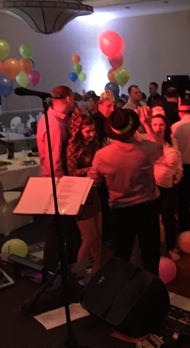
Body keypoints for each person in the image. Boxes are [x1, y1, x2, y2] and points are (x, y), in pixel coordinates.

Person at [89, 108, 163, 274]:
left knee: (122, 254)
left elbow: (95, 181)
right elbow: (160, 148)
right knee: (151, 253)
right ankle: (152, 285)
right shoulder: (146, 149)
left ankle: (124, 286)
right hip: (147, 207)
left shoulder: (102, 155)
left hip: (119, 210)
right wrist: (147, 125)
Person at [36, 85, 79, 274]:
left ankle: (57, 269)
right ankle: (56, 270)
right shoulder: (52, 123)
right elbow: (54, 161)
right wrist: (62, 187)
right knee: (59, 229)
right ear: (68, 98)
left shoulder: (56, 119)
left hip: (57, 181)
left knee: (61, 229)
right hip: (57, 183)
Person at [67, 112, 102, 274]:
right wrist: (90, 169)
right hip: (80, 193)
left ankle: (96, 270)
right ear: (78, 131)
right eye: (88, 131)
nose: (92, 134)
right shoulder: (73, 147)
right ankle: (78, 274)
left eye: (93, 130)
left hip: (93, 190)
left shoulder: (94, 144)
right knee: (89, 238)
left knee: (98, 236)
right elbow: (71, 172)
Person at [151, 107, 183, 261]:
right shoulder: (147, 141)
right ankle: (153, 249)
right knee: (152, 220)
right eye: (155, 124)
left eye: (161, 124)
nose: (158, 128)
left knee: (169, 218)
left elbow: (178, 159)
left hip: (168, 186)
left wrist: (178, 174)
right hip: (151, 187)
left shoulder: (172, 141)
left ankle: (171, 247)